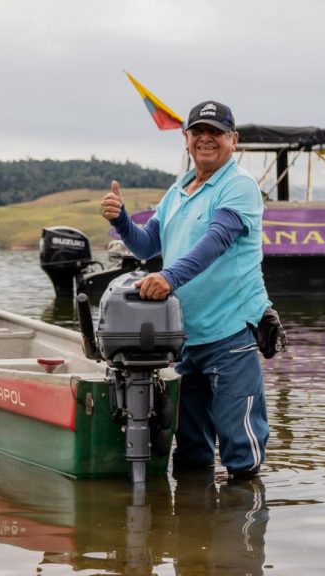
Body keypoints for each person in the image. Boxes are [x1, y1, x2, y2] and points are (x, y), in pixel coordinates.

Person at [100, 100, 271, 480]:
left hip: (230, 333)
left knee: (241, 451)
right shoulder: (177, 190)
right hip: (185, 338)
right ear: (186, 139)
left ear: (233, 140)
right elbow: (146, 246)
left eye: (216, 132)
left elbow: (218, 239)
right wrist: (123, 219)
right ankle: (193, 530)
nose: (206, 139)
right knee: (191, 451)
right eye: (198, 132)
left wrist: (169, 278)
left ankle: (242, 522)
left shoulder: (238, 186)